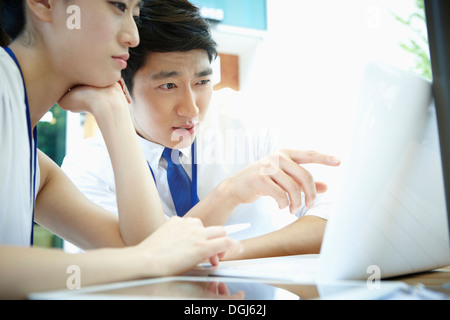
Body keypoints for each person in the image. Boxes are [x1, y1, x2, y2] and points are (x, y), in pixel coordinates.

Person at [62, 0, 340, 261]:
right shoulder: (88, 169)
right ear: (122, 87)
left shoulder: (247, 118)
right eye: (168, 86)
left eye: (202, 81)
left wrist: (223, 257)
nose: (192, 109)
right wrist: (228, 192)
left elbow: (338, 216)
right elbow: (144, 260)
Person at [0, 0, 242, 299]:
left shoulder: (35, 167)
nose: (133, 35)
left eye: (134, 13)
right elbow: (150, 256)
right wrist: (146, 260)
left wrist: (114, 112)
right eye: (118, 7)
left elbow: (147, 245)